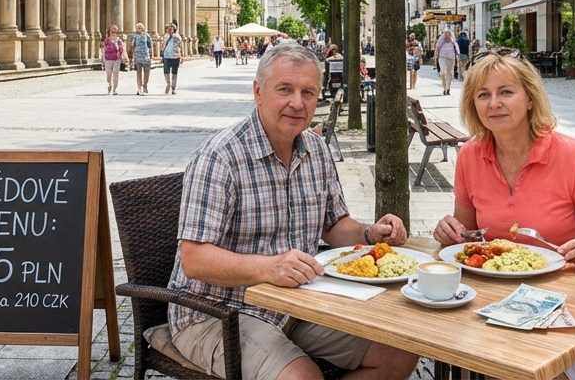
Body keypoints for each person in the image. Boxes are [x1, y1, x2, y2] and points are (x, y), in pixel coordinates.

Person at [167, 42, 420, 380]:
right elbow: (194, 259)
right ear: (258, 92)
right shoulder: (220, 157)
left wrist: (370, 234)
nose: (297, 103)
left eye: (308, 92)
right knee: (302, 377)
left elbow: (334, 226)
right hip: (216, 312)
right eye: (284, 89)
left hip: (295, 303)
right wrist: (268, 268)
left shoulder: (315, 149)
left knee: (399, 351)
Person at [432, 52, 575, 380]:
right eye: (483, 95)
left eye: (506, 92)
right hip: (500, 300)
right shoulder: (469, 155)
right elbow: (466, 237)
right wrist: (450, 231)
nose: (494, 103)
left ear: (529, 100)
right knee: (465, 358)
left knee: (536, 372)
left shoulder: (573, 155)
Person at [131, 22, 154, 95]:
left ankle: (145, 85)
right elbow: (133, 46)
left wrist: (151, 55)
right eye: (139, 28)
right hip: (137, 56)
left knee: (146, 73)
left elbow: (150, 46)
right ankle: (139, 88)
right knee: (138, 73)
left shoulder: (147, 36)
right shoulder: (135, 37)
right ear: (136, 29)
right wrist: (132, 56)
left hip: (146, 56)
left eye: (141, 28)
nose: (140, 29)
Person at [434, 29, 460, 96]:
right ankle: (444, 87)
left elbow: (456, 48)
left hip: (451, 58)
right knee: (443, 72)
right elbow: (437, 48)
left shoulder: (452, 41)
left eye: (449, 33)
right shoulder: (440, 41)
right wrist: (436, 57)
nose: (448, 34)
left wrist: (458, 54)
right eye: (446, 33)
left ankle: (448, 87)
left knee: (450, 73)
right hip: (442, 57)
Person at [102, 26, 126, 95]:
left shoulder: (118, 40)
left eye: (115, 31)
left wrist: (122, 56)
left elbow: (122, 49)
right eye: (112, 31)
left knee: (116, 73)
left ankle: (114, 89)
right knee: (108, 74)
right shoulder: (107, 40)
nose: (113, 33)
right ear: (110, 32)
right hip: (108, 59)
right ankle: (109, 84)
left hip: (116, 59)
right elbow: (103, 48)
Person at [162, 23, 183, 95]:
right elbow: (163, 45)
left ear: (174, 30)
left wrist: (181, 56)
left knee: (174, 73)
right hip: (166, 56)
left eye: (171, 29)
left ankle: (173, 88)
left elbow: (180, 46)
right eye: (168, 28)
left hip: (175, 56)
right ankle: (168, 84)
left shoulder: (177, 37)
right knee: (166, 72)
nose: (169, 30)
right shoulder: (165, 37)